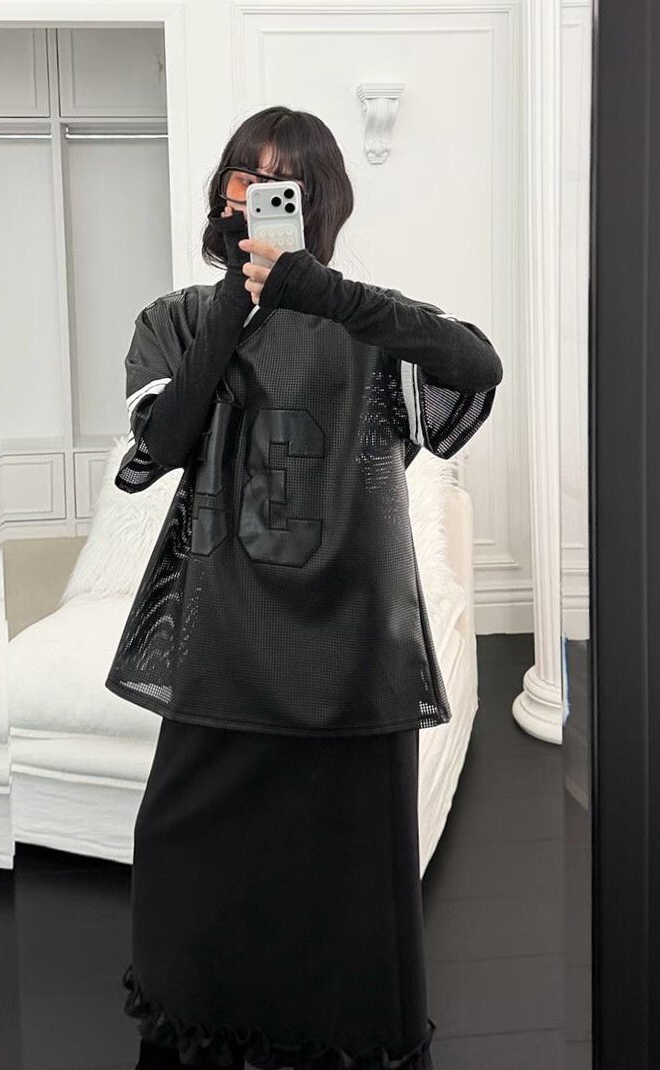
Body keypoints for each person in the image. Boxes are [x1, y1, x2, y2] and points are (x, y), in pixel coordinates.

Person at [109, 106, 503, 1070]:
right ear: (223, 192)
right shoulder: (175, 319)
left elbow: (477, 364)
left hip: (351, 651)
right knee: (186, 863)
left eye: (281, 182)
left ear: (320, 202)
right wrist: (237, 303)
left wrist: (322, 294)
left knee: (344, 895)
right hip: (219, 641)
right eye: (243, 175)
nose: (256, 194)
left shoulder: (372, 323)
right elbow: (162, 445)